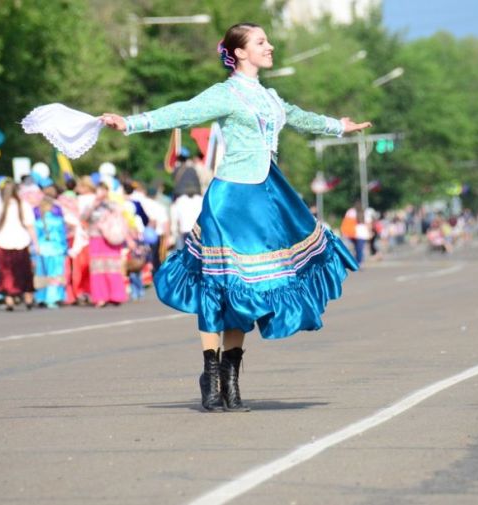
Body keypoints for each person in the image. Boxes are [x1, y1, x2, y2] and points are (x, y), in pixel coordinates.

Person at [99, 23, 368, 412]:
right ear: (240, 52)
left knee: (248, 288)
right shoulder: (225, 95)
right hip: (229, 200)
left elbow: (299, 115)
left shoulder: (271, 97)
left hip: (263, 200)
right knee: (219, 285)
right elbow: (184, 112)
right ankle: (211, 375)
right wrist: (130, 122)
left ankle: (232, 375)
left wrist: (338, 127)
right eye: (261, 42)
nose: (270, 46)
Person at [0, 179, 38, 311]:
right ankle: (28, 298)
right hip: (21, 241)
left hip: (3, 241)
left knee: (5, 272)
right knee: (24, 272)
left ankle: (9, 299)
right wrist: (36, 244)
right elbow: (30, 226)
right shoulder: (23, 205)